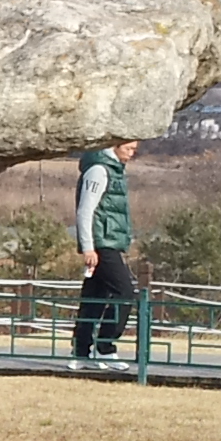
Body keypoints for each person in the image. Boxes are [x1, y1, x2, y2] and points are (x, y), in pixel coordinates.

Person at [73, 139, 138, 366]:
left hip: (109, 241)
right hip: (102, 243)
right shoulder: (99, 170)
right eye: (128, 148)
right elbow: (85, 210)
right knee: (125, 292)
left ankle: (81, 352)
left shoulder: (115, 170)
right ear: (115, 146)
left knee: (94, 299)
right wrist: (88, 247)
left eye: (134, 150)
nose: (131, 154)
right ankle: (105, 347)